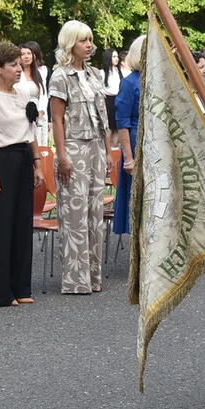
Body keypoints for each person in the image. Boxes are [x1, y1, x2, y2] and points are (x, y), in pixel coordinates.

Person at [0, 42, 45, 307]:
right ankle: (2, 292)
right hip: (0, 160)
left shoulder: (24, 95)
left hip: (23, 159)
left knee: (22, 224)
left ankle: (21, 286)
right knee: (2, 227)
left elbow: (32, 132)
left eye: (19, 63)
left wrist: (37, 164)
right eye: (13, 65)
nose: (19, 68)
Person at [49, 19, 111, 295]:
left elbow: (103, 116)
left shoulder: (95, 74)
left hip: (96, 146)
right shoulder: (60, 76)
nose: (89, 45)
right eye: (83, 40)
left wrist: (108, 150)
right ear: (70, 43)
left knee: (95, 213)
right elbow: (57, 119)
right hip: (73, 147)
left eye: (90, 39)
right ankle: (75, 280)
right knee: (75, 215)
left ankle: (93, 276)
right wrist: (62, 156)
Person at [114, 35, 145, 238]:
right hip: (135, 143)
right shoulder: (129, 82)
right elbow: (122, 122)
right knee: (137, 203)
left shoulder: (156, 81)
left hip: (153, 144)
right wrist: (128, 158)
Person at [18, 42, 49, 131]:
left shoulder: (40, 72)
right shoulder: (17, 74)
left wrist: (41, 111)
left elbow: (43, 95)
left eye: (28, 53)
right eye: (23, 54)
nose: (26, 56)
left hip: (38, 113)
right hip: (21, 113)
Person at [101, 48, 123, 139]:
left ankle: (115, 147)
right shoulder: (102, 73)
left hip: (119, 100)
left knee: (117, 127)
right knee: (109, 126)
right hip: (108, 101)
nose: (116, 59)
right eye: (114, 57)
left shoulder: (119, 72)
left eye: (117, 56)